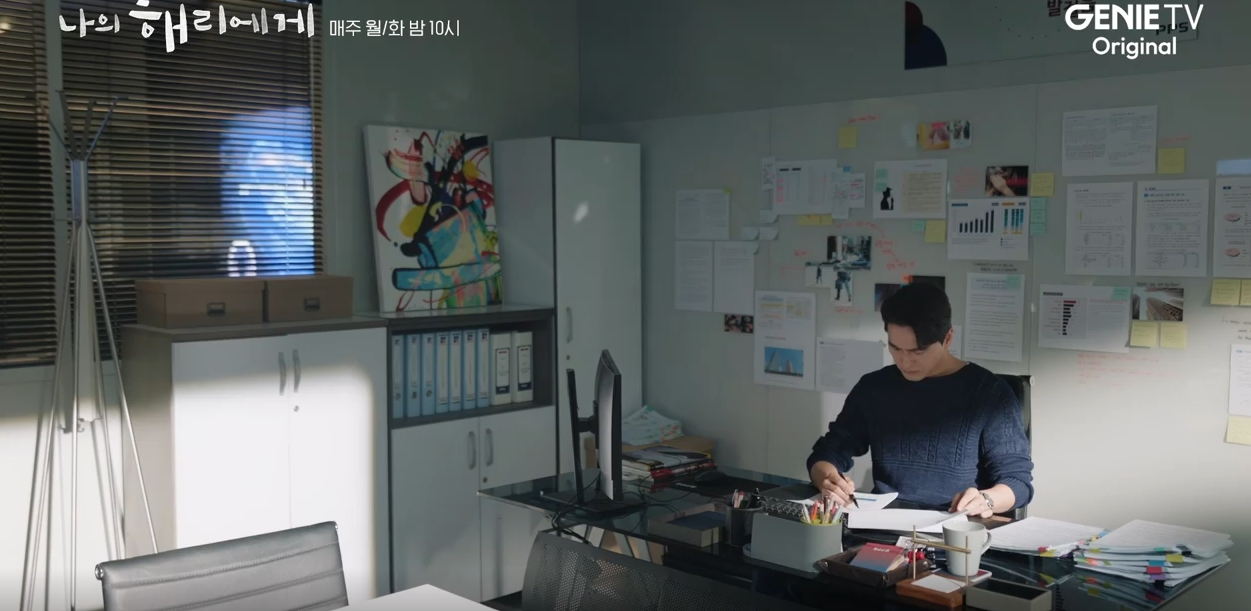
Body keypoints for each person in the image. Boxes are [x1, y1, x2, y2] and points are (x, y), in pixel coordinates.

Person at [806, 283, 1033, 517]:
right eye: (896, 348)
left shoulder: (990, 394)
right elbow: (828, 452)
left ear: (947, 338)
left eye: (918, 352)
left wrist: (987, 500)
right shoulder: (874, 388)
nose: (905, 362)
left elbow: (1018, 482)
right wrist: (828, 480)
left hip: (955, 526)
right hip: (883, 525)